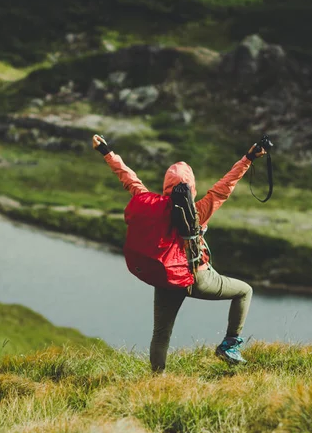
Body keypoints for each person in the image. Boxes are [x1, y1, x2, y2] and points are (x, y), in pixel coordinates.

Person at [92, 134, 265, 370]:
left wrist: (107, 152)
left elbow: (129, 179)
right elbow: (225, 186)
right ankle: (229, 345)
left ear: (166, 187)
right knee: (245, 291)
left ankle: (157, 383)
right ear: (192, 188)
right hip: (199, 277)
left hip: (167, 279)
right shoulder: (200, 211)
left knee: (161, 334)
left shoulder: (149, 203)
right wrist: (248, 158)